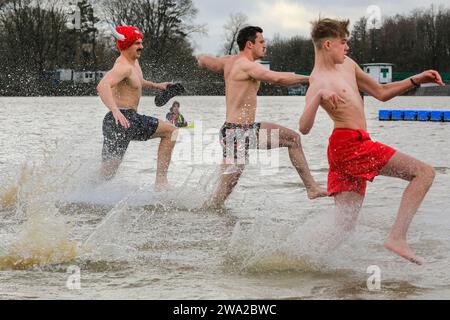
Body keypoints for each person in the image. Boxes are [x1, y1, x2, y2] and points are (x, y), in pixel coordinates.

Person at [300, 18, 444, 265]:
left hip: (348, 147)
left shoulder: (348, 65)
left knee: (343, 227)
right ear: (327, 44)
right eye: (343, 42)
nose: (347, 48)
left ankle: (299, 260)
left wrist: (416, 79)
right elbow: (304, 127)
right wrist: (319, 96)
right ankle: (397, 237)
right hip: (349, 145)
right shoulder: (319, 80)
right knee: (424, 173)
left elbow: (382, 92)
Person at [197, 26, 327, 209]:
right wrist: (309, 79)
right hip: (237, 134)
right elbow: (277, 78)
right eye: (261, 41)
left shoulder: (229, 61)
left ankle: (312, 188)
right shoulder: (247, 66)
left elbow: (209, 61)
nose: (265, 45)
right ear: (250, 44)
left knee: (293, 139)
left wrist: (200, 59)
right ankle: (204, 215)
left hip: (243, 131)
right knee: (220, 196)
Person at [97, 25, 178, 190]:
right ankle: (161, 183)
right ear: (126, 45)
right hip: (120, 118)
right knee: (171, 131)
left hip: (123, 120)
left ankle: (81, 193)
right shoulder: (122, 66)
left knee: (108, 172)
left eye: (141, 42)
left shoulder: (133, 63)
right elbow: (102, 85)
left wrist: (157, 85)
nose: (141, 46)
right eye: (137, 43)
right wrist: (115, 110)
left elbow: (137, 82)